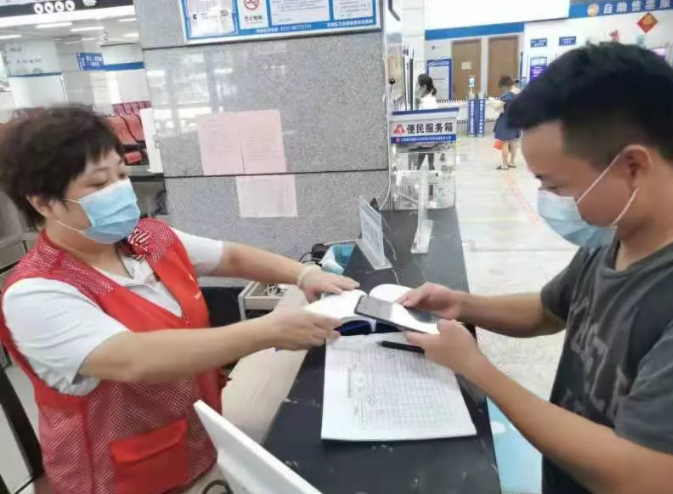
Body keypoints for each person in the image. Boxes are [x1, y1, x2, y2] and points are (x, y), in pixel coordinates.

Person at [0, 105, 358, 494]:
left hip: (200, 442)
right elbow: (135, 360)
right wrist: (269, 331)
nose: (119, 190)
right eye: (98, 183)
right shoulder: (36, 292)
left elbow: (230, 257)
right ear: (43, 202)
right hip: (119, 479)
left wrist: (304, 274)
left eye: (121, 174)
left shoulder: (148, 239)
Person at [400, 43, 673, 494]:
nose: (548, 200)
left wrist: (477, 369)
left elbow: (641, 475)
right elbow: (548, 310)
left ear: (632, 167)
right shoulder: (613, 237)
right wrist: (462, 304)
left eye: (556, 185)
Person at [490, 75, 521, 170]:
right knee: (513, 142)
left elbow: (497, 106)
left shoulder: (507, 95)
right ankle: (512, 162)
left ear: (505, 85)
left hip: (506, 120)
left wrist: (492, 101)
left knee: (505, 143)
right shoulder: (519, 92)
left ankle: (504, 164)